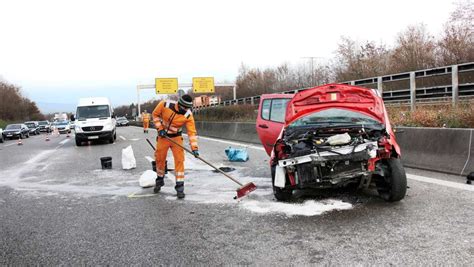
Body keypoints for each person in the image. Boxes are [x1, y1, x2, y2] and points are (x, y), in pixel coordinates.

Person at [152, 94, 199, 199]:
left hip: (176, 138)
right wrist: (160, 129)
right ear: (179, 104)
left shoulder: (188, 115)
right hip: (163, 137)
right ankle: (159, 180)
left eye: (188, 108)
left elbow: (192, 133)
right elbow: (155, 115)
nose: (186, 110)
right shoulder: (164, 105)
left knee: (179, 160)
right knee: (160, 158)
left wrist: (194, 148)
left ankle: (180, 187)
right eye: (184, 107)